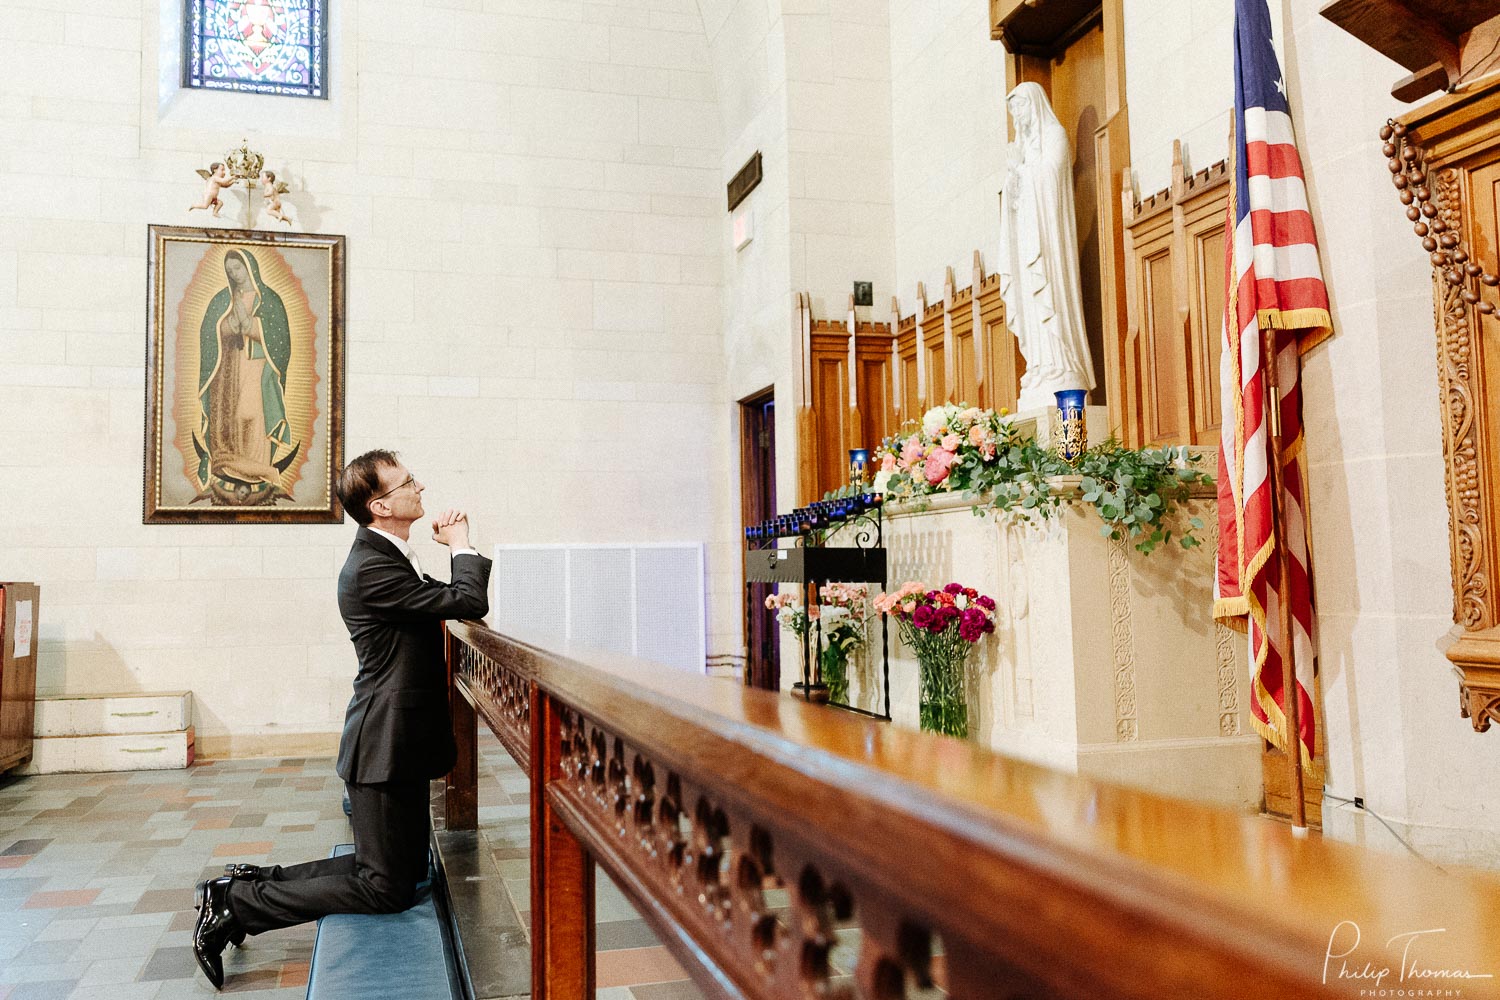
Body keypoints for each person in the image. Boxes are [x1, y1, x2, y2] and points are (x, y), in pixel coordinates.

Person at [191, 450, 493, 991]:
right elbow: (467, 601)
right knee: (386, 888)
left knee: (398, 873)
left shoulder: (389, 554)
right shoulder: (372, 566)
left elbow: (440, 607)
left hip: (396, 742)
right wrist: (464, 544)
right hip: (382, 745)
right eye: (409, 483)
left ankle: (244, 886)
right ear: (381, 504)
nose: (420, 488)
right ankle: (238, 907)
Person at [997, 81, 1097, 412]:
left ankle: (1060, 364)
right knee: (1031, 304)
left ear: (1035, 105)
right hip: (1027, 243)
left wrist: (1022, 170)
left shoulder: (1055, 136)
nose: (1017, 116)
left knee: (1050, 300)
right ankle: (1040, 366)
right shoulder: (1021, 148)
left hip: (1050, 244)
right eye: (1012, 110)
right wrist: (1013, 175)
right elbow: (1012, 202)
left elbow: (1052, 177)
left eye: (1021, 107)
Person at [192, 248, 297, 505]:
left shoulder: (270, 299)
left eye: (237, 268)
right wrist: (228, 327)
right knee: (229, 417)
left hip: (257, 366)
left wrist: (251, 326)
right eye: (229, 271)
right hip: (227, 370)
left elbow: (281, 340)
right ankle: (232, 463)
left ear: (249, 267)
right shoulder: (221, 300)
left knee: (250, 414)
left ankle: (258, 466)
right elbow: (209, 333)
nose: (234, 275)